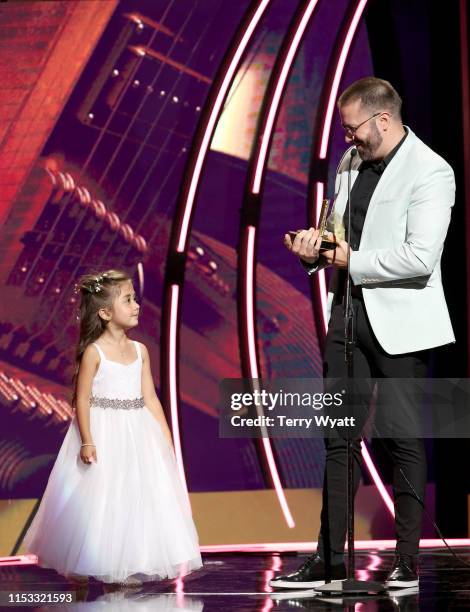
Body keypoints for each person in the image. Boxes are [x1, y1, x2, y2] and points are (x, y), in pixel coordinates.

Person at [270, 77, 455, 590]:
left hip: (402, 326)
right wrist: (316, 250)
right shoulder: (349, 166)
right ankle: (328, 560)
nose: (348, 139)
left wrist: (350, 258)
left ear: (383, 120)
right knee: (337, 441)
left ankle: (407, 562)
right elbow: (338, 234)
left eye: (354, 130)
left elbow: (421, 256)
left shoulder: (432, 171)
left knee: (400, 438)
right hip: (348, 319)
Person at [22, 269, 202, 586]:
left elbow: (149, 397)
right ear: (105, 312)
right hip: (104, 432)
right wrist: (88, 441)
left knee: (134, 496)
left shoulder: (140, 351)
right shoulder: (94, 352)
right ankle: (88, 563)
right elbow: (82, 400)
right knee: (100, 498)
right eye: (128, 300)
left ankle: (125, 562)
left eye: (135, 299)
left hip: (137, 431)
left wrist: (165, 435)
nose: (136, 306)